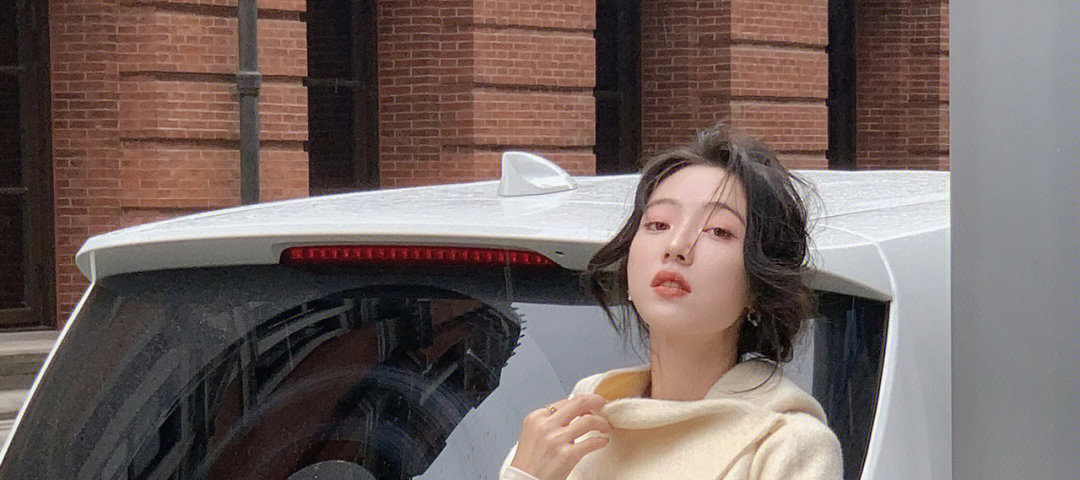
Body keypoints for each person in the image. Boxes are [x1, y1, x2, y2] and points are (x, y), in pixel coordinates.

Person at [498, 124, 843, 480]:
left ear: (759, 286)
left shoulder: (785, 445)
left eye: (719, 231)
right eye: (658, 224)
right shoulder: (570, 428)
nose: (677, 246)